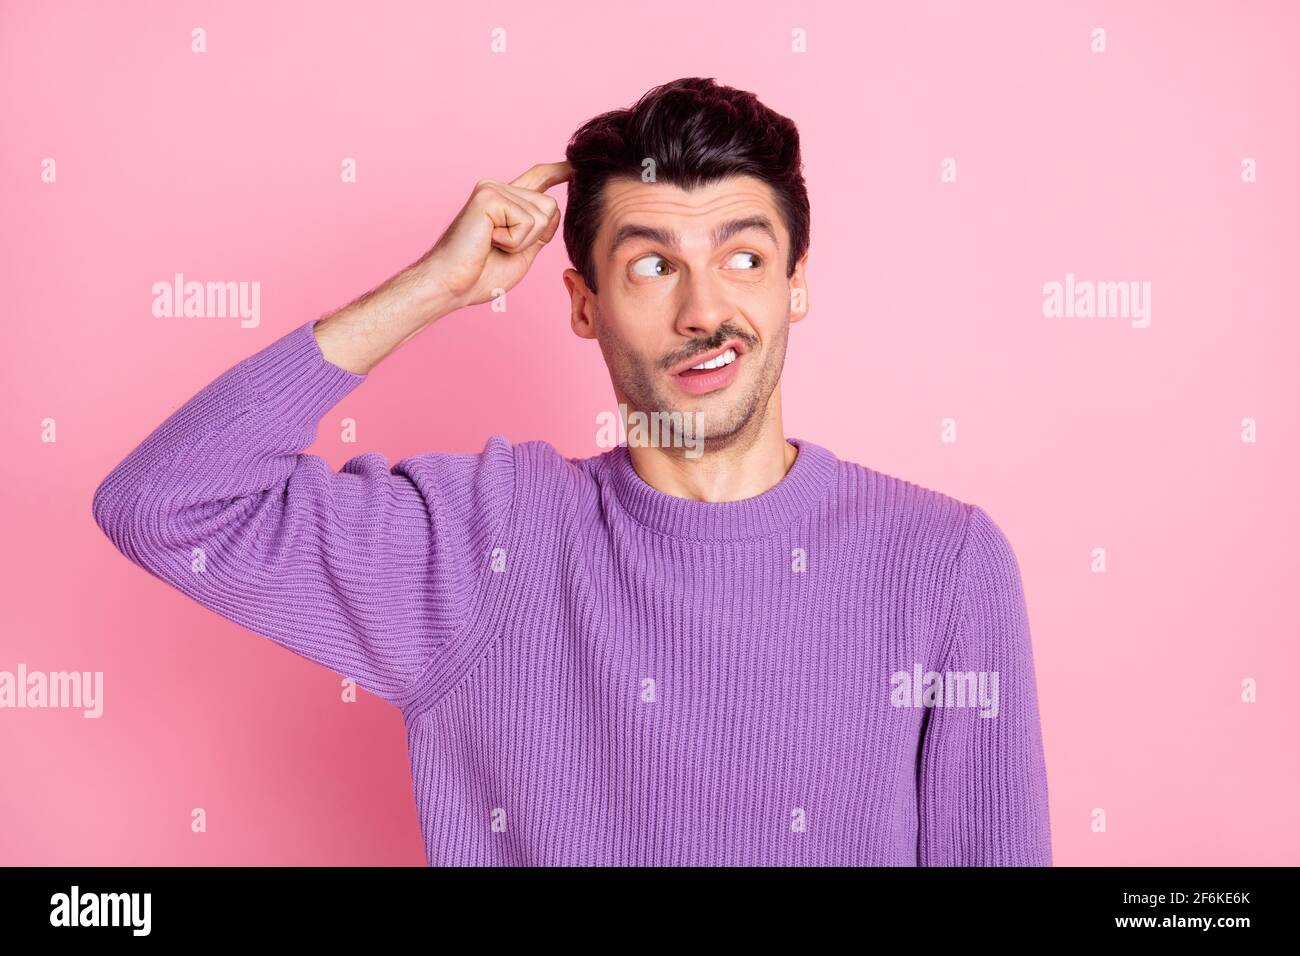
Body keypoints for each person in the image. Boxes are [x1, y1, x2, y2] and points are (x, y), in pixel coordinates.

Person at [92, 76, 1052, 866]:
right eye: (649, 268)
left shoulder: (943, 562)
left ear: (797, 284)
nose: (703, 310)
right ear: (583, 303)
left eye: (746, 258)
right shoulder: (480, 542)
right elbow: (166, 504)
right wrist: (432, 289)